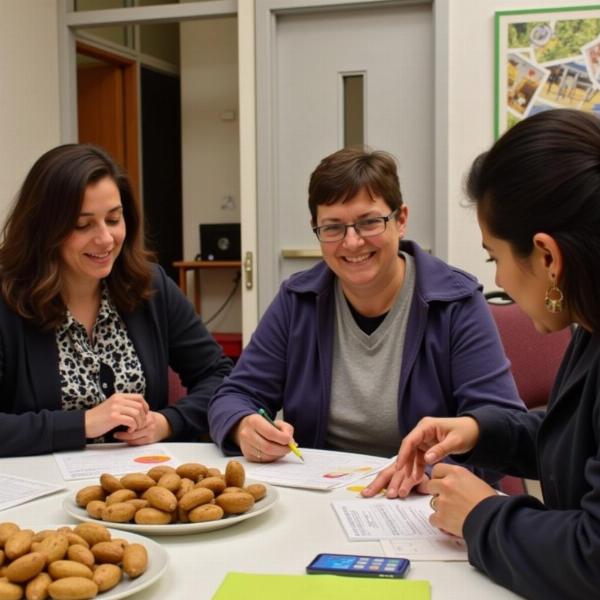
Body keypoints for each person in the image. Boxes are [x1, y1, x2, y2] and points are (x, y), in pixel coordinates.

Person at [364, 109, 600, 599]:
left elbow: (592, 558)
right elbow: (576, 441)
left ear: (548, 257)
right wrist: (478, 431)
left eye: (495, 257)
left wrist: (480, 516)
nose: (497, 281)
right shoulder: (589, 325)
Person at [208, 147, 524, 493]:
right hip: (322, 496)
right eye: (332, 228)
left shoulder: (455, 301)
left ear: (401, 219)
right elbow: (234, 394)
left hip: (422, 500)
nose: (352, 241)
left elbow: (500, 423)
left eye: (369, 222)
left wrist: (427, 472)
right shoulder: (298, 300)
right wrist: (243, 424)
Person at [0, 143, 232, 457]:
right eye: (82, 225)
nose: (106, 239)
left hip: (142, 487)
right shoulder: (8, 299)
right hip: (42, 488)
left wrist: (166, 423)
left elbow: (220, 377)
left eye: (113, 219)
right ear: (44, 229)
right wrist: (82, 423)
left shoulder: (150, 286)